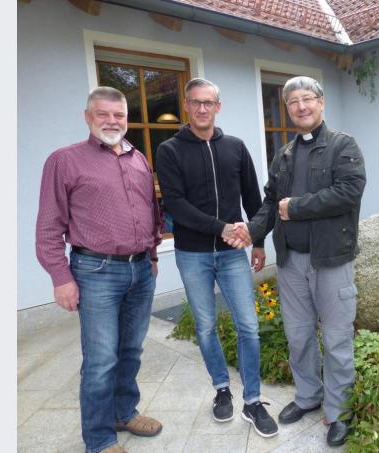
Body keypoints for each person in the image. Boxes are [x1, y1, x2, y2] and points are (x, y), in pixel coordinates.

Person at [226, 76, 366, 447]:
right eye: (293, 102)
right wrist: (251, 231)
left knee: (336, 340)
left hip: (332, 260)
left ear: (321, 103)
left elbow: (349, 192)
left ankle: (339, 411)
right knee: (299, 336)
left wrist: (297, 207)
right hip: (291, 262)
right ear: (287, 109)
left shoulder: (343, 146)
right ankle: (308, 396)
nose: (301, 107)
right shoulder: (284, 154)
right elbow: (272, 203)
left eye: (307, 99)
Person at [36, 86, 163, 453]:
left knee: (131, 350)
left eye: (119, 115)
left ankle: (124, 411)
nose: (112, 121)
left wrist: (153, 256)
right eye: (103, 114)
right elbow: (48, 226)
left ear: (127, 118)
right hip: (95, 271)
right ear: (88, 116)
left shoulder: (139, 159)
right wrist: (61, 278)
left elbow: (151, 213)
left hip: (140, 270)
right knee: (101, 358)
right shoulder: (64, 161)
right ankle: (99, 439)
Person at [155, 78, 278, 437]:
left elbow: (253, 198)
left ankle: (252, 401)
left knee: (249, 326)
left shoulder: (236, 148)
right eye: (196, 102)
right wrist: (222, 227)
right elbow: (176, 205)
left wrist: (257, 240)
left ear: (218, 107)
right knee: (205, 326)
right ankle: (222, 389)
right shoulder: (170, 151)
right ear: (187, 106)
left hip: (231, 255)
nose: (202, 109)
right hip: (192, 254)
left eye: (209, 102)